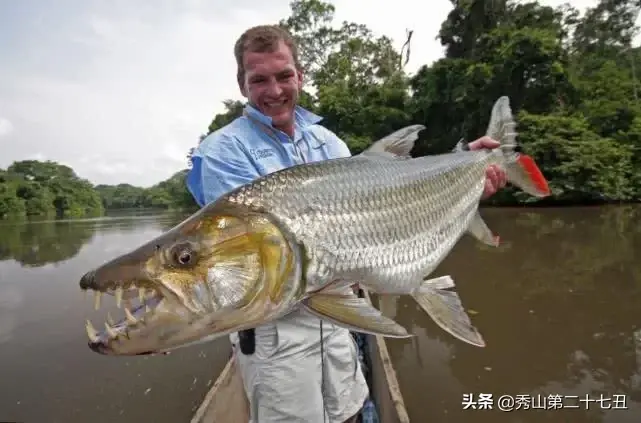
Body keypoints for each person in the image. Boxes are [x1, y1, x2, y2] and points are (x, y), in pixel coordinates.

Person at [186, 24, 506, 423]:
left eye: (284, 76)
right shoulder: (222, 152)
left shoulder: (329, 143)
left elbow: (386, 205)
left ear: (299, 75)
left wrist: (465, 169)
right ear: (242, 84)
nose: (274, 90)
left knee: (350, 411)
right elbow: (246, 264)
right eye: (259, 80)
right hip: (277, 336)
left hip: (338, 320)